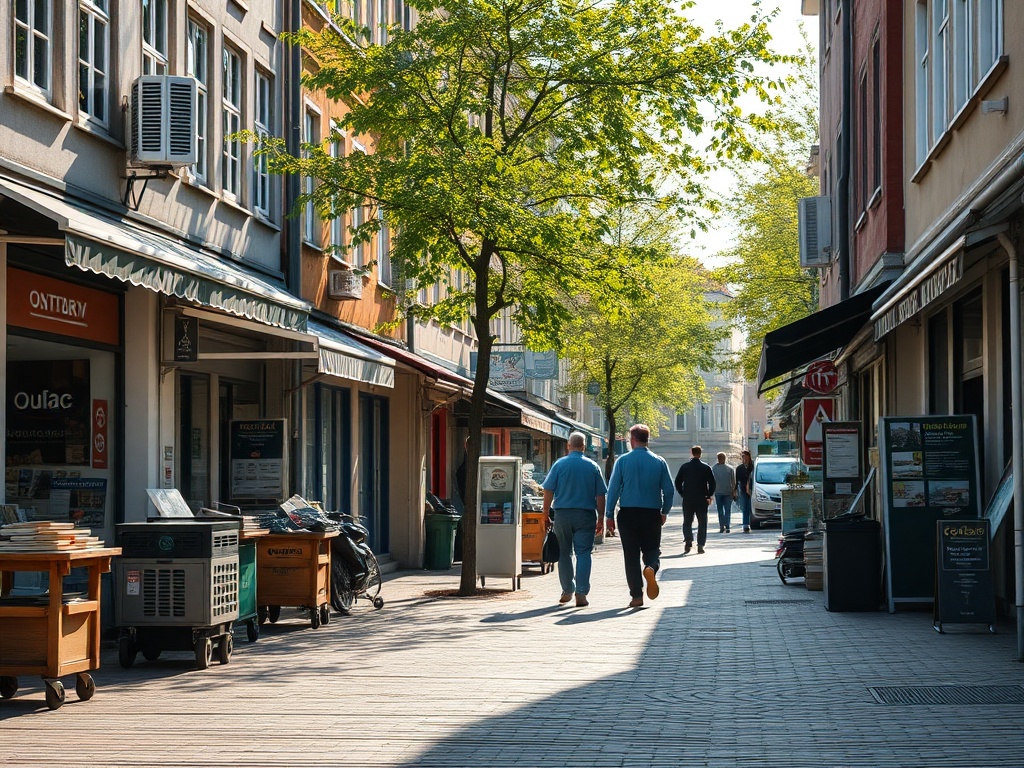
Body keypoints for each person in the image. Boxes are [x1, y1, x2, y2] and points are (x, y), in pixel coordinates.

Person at [605, 424, 675, 608]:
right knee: (652, 550)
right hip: (651, 514)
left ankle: (636, 596)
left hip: (628, 514)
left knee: (631, 555)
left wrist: (609, 514)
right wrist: (664, 511)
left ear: (633, 439)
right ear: (647, 439)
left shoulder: (622, 461)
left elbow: (613, 489)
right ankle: (651, 567)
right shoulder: (659, 461)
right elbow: (669, 490)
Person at [542, 432, 607, 607]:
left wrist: (545, 513)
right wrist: (601, 517)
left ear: (568, 446)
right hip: (585, 515)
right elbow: (600, 495)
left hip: (562, 515)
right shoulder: (593, 466)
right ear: (584, 446)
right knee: (583, 553)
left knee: (564, 553)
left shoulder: (559, 464)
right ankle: (581, 593)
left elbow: (548, 490)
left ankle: (567, 590)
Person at [674, 445, 716, 554]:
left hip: (688, 498)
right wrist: (709, 495)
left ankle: (688, 539)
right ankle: (700, 545)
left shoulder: (685, 467)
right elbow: (712, 483)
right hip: (702, 498)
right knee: (702, 522)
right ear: (700, 454)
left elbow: (677, 482)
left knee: (687, 521)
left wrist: (682, 493)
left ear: (691, 453)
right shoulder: (706, 467)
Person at [711, 452, 737, 533]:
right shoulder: (730, 469)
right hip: (728, 492)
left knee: (720, 510)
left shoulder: (713, 469)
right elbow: (733, 482)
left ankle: (722, 526)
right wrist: (734, 492)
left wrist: (711, 492)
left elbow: (711, 482)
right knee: (727, 510)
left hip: (718, 492)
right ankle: (727, 526)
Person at [735, 450, 754, 533]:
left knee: (751, 507)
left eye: (745, 456)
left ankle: (752, 523)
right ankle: (745, 524)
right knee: (745, 507)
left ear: (749, 457)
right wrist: (735, 490)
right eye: (743, 457)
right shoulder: (739, 468)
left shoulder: (753, 466)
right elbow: (737, 480)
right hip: (743, 490)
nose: (744, 458)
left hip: (753, 489)